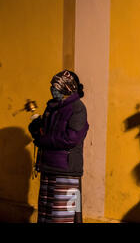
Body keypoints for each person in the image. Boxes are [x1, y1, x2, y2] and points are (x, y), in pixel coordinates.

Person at [28, 70, 89, 223]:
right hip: (47, 167)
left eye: (55, 86)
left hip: (66, 172)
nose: (52, 89)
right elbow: (43, 133)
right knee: (45, 215)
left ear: (66, 87)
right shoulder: (52, 108)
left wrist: (43, 140)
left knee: (63, 218)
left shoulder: (78, 108)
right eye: (52, 86)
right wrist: (35, 128)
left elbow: (71, 138)